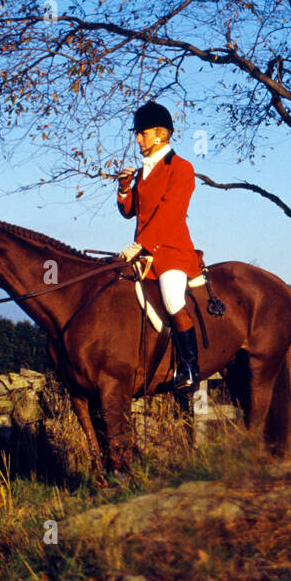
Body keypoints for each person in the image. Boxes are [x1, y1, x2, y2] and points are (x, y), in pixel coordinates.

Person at [116, 101, 201, 391]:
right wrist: (124, 188)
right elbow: (130, 211)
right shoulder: (143, 173)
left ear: (160, 134)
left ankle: (190, 368)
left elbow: (170, 213)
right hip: (144, 252)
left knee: (173, 299)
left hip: (172, 252)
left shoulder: (181, 168)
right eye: (137, 134)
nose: (137, 139)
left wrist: (141, 244)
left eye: (142, 133)